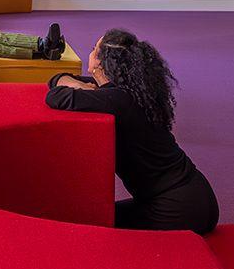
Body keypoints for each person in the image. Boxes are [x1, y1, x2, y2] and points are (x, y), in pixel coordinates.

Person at [45, 28, 219, 234]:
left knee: (92, 225)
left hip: (176, 209)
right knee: (100, 217)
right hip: (196, 198)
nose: (90, 53)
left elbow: (56, 97)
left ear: (99, 63)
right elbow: (57, 79)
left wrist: (76, 85)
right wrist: (75, 82)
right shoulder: (132, 91)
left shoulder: (118, 100)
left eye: (94, 50)